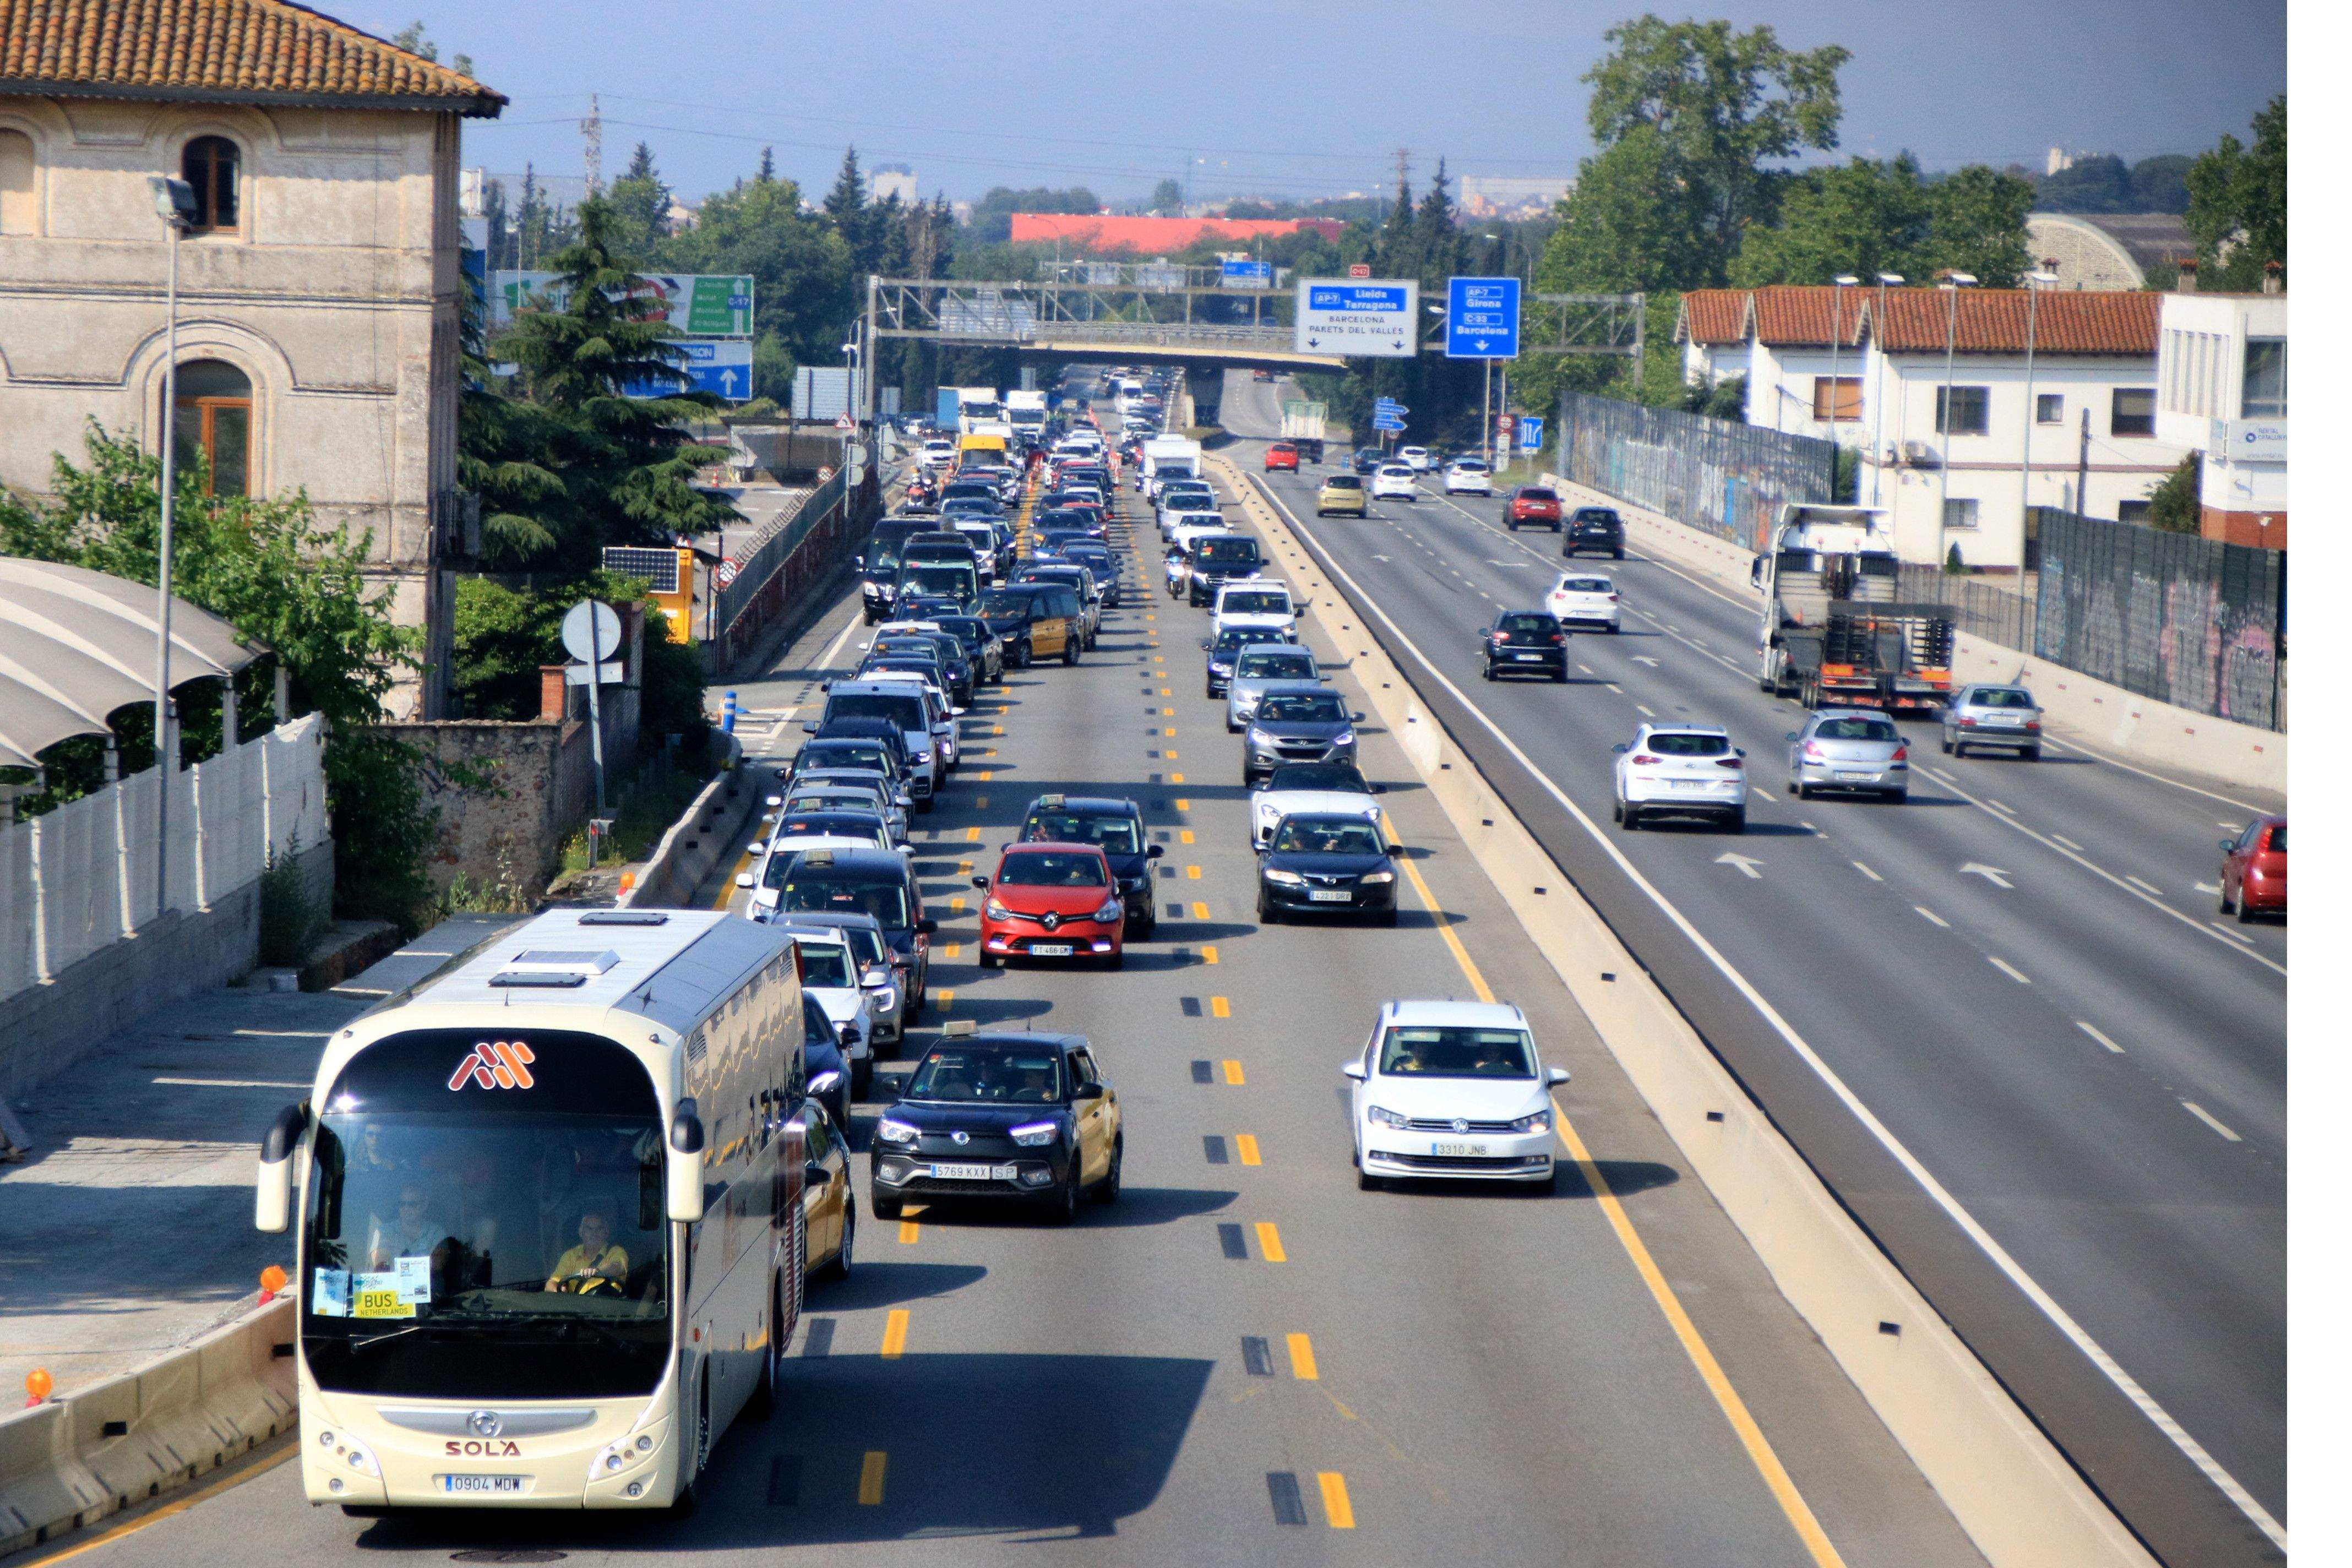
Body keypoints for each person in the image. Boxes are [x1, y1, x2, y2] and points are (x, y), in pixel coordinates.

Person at [546, 1208, 629, 1293]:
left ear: (606, 1232)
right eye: (589, 1229)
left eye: (599, 1228)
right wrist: (560, 1292)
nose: (594, 1233)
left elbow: (617, 1267)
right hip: (574, 1305)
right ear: (581, 1232)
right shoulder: (570, 1255)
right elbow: (551, 1283)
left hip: (607, 1304)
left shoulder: (616, 1251)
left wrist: (597, 1271)